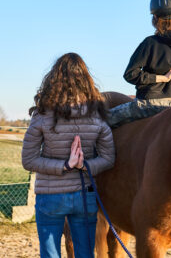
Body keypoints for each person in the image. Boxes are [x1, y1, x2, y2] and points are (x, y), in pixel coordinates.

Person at [22, 53, 115, 258]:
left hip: (49, 198)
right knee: (85, 254)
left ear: (53, 79)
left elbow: (28, 160)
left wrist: (65, 165)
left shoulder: (42, 114)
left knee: (50, 254)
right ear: (86, 80)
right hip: (84, 197)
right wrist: (84, 166)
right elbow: (109, 159)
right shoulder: (98, 116)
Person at [108, 0, 171, 128]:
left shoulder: (150, 43)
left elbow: (129, 74)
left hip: (146, 105)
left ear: (156, 18)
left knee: (103, 121)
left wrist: (159, 78)